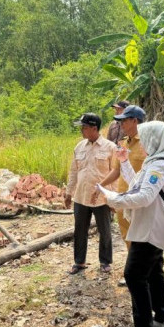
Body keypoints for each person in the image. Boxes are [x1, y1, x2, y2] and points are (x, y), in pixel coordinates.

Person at [97, 121, 164, 327]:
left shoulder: (159, 167)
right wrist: (124, 163)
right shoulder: (158, 163)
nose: (141, 143)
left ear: (155, 140)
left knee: (134, 275)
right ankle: (162, 316)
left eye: (145, 138)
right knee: (153, 270)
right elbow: (137, 185)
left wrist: (115, 200)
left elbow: (143, 196)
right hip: (153, 227)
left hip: (151, 229)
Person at [96, 105, 147, 286]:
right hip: (124, 199)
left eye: (124, 120)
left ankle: (144, 274)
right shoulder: (124, 144)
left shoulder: (148, 144)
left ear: (135, 121)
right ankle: (133, 272)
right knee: (128, 237)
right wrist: (101, 186)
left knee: (143, 240)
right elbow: (117, 171)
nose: (121, 124)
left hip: (141, 201)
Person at [65, 113, 117, 275]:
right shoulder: (79, 147)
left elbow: (115, 174)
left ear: (94, 128)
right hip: (81, 196)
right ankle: (79, 262)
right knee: (79, 230)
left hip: (102, 198)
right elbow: (74, 172)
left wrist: (113, 198)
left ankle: (105, 261)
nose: (82, 130)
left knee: (105, 230)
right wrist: (68, 192)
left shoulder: (110, 148)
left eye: (84, 127)